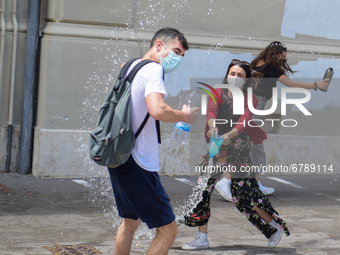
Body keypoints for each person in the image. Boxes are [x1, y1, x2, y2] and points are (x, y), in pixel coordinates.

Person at [181, 59, 290, 250]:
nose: (235, 77)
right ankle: (202, 238)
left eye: (240, 75)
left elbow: (244, 122)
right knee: (202, 189)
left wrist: (229, 135)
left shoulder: (251, 99)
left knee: (243, 197)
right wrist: (213, 128)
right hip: (218, 145)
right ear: (227, 75)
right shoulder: (217, 92)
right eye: (232, 73)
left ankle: (273, 226)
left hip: (239, 146)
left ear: (246, 80)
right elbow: (212, 113)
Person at [108, 27, 199, 255]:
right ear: (159, 45)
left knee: (131, 221)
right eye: (176, 51)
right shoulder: (153, 70)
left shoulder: (130, 66)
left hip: (120, 156)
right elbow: (157, 109)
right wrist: (184, 116)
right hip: (139, 163)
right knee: (169, 231)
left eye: (181, 55)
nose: (177, 58)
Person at [215, 41, 330, 201]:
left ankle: (249, 181)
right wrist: (316, 85)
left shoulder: (257, 64)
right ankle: (228, 180)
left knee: (249, 142)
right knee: (254, 143)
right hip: (256, 104)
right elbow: (291, 84)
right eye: (282, 58)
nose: (283, 61)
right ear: (274, 54)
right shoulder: (271, 67)